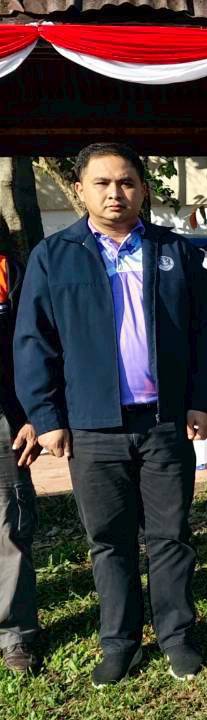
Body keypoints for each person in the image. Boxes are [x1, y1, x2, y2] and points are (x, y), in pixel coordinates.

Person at [14, 143, 207, 685]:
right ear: (79, 190)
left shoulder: (174, 251)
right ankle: (120, 643)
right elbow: (34, 341)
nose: (115, 193)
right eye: (102, 183)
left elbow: (205, 332)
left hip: (164, 421)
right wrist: (47, 416)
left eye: (126, 182)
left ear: (143, 189)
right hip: (93, 426)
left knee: (170, 535)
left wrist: (202, 400)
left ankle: (177, 637)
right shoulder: (54, 256)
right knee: (109, 540)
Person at [0, 249, 42, 674]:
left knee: (8, 527)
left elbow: (31, 344)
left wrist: (33, 414)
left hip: (4, 418)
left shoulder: (6, 271)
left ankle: (14, 633)